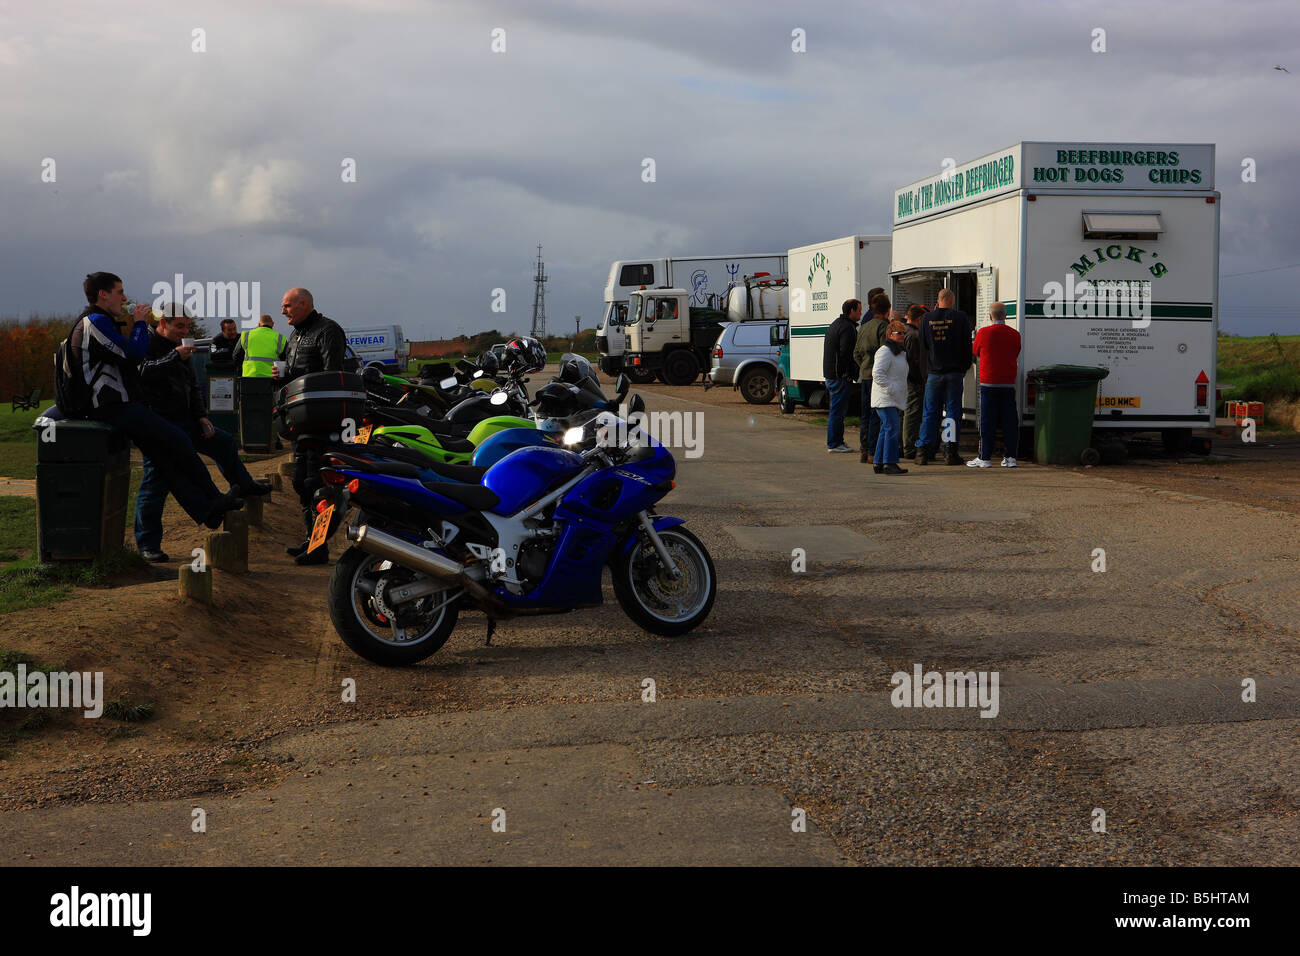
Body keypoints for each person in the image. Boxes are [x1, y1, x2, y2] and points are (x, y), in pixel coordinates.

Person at [69, 273, 243, 547]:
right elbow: (133, 356)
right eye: (120, 292)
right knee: (173, 449)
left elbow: (183, 382)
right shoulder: (95, 321)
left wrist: (198, 414)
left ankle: (209, 509)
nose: (125, 298)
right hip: (112, 407)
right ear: (103, 294)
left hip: (121, 405)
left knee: (167, 463)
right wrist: (139, 323)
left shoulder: (101, 321)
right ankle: (208, 506)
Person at [135, 303, 271, 561]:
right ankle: (147, 544)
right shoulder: (147, 342)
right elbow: (141, 372)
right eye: (179, 326)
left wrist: (200, 416)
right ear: (162, 324)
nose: (184, 331)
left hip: (186, 420)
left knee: (223, 442)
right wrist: (175, 355)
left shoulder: (182, 349)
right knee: (156, 482)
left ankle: (242, 487)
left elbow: (193, 386)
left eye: (187, 326)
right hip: (158, 424)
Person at [276, 287, 346, 565]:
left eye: (288, 306)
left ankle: (319, 547)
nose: (283, 311)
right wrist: (281, 376)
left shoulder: (328, 331)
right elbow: (295, 372)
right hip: (299, 420)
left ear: (304, 304)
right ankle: (311, 541)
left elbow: (332, 376)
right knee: (300, 483)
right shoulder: (295, 335)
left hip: (322, 421)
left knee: (318, 484)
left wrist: (297, 376)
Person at [917, 289, 973, 466]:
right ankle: (949, 451)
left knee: (929, 413)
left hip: (934, 373)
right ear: (952, 300)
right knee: (951, 413)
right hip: (954, 373)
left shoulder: (927, 318)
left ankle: (924, 451)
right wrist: (964, 367)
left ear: (938, 300)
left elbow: (924, 344)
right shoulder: (960, 317)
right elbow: (966, 345)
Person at [969, 301, 1023, 468]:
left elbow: (975, 351)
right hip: (1007, 383)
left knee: (987, 421)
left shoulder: (983, 333)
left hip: (988, 383)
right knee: (1010, 421)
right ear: (1005, 315)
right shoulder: (1015, 334)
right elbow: (1016, 352)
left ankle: (984, 458)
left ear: (990, 316)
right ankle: (1011, 457)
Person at [853, 294, 891, 463]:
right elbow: (886, 352)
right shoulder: (883, 327)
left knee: (865, 414)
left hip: (865, 375)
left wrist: (864, 366)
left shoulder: (864, 327)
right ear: (887, 310)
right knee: (877, 414)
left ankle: (863, 449)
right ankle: (872, 451)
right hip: (878, 377)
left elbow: (856, 353)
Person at [871, 320, 910, 475]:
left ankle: (879, 462)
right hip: (885, 397)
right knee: (892, 428)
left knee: (886, 429)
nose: (902, 336)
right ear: (889, 335)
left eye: (903, 333)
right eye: (898, 333)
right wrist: (892, 388)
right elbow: (877, 374)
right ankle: (890, 462)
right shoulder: (885, 351)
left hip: (892, 397)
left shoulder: (899, 351)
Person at [822, 299, 861, 452]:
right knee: (837, 411)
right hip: (839, 376)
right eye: (859, 310)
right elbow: (846, 353)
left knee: (837, 410)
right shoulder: (847, 328)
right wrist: (849, 374)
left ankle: (838, 440)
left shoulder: (836, 324)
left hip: (832, 374)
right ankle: (834, 443)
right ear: (851, 311)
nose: (860, 313)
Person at [901, 304, 929, 459]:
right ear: (919, 319)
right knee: (912, 413)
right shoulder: (915, 335)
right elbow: (915, 362)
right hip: (913, 380)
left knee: (903, 413)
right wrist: (920, 379)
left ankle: (903, 444)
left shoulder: (902, 332)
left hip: (903, 379)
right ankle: (909, 447)